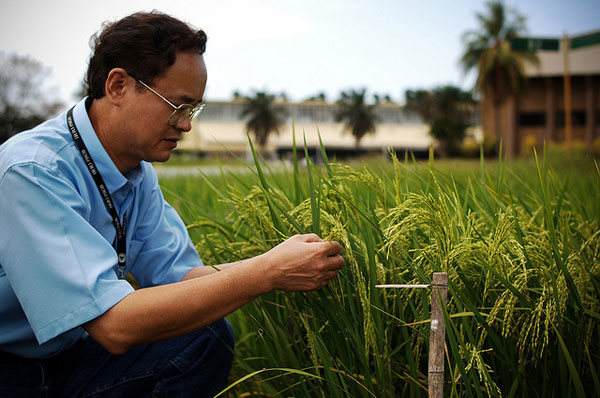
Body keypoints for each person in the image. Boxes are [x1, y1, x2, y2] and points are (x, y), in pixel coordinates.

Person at [0, 11, 345, 397]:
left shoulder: (134, 169)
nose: (186, 125)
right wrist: (265, 273)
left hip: (66, 358)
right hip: (10, 366)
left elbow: (180, 277)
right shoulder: (34, 170)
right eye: (177, 105)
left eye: (193, 109)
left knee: (205, 335)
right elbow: (113, 325)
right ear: (118, 85)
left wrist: (280, 263)